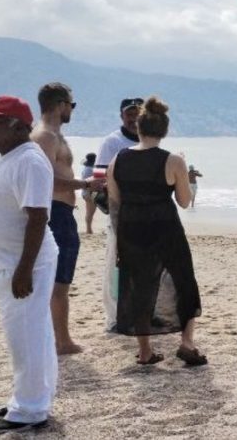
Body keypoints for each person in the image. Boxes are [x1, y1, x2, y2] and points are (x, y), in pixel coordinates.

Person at [0, 96, 59, 435]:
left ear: (18, 127)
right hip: (6, 262)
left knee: (24, 336)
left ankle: (29, 409)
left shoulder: (29, 161)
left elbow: (38, 216)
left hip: (22, 265)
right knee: (34, 333)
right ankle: (31, 398)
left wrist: (25, 268)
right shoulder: (11, 158)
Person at [106, 96, 207, 366]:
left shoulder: (118, 158)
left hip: (131, 228)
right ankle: (186, 342)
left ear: (138, 128)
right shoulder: (173, 160)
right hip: (164, 227)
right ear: (164, 131)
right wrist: (181, 170)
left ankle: (145, 350)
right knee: (184, 281)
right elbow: (185, 202)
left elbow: (115, 198)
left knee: (140, 285)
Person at [31, 83, 101, 355]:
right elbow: (46, 179)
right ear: (60, 104)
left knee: (59, 279)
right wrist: (84, 184)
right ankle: (62, 341)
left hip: (62, 212)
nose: (72, 109)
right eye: (71, 104)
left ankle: (58, 338)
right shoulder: (46, 136)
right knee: (58, 280)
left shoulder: (54, 136)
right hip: (55, 212)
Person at [95, 97, 143, 331]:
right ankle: (114, 317)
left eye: (138, 114)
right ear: (122, 116)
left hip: (146, 214)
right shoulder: (112, 142)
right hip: (120, 214)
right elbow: (99, 178)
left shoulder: (150, 140)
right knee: (116, 265)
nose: (134, 118)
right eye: (129, 114)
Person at [80, 153, 97, 234]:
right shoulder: (90, 170)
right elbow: (90, 184)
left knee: (89, 212)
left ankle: (89, 229)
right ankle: (88, 229)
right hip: (89, 193)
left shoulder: (86, 168)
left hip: (85, 192)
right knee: (90, 212)